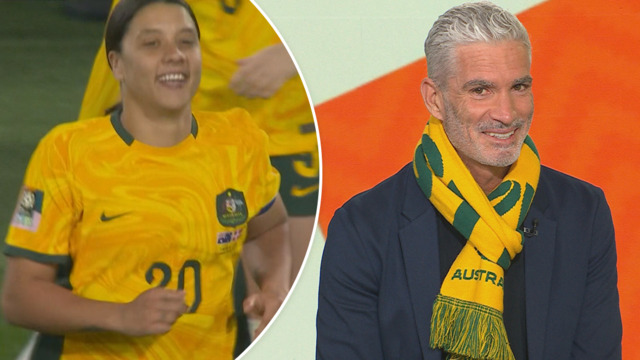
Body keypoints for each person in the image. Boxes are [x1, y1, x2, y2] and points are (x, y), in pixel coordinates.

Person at [316, 2, 622, 360]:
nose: (507, 113)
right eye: (481, 90)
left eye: (519, 87)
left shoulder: (582, 212)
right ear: (435, 99)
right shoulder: (362, 226)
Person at [1, 1, 290, 359]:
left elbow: (268, 227)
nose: (175, 55)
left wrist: (274, 286)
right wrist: (119, 315)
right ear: (117, 64)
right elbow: (19, 297)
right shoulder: (66, 153)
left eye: (187, 42)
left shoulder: (238, 141)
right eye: (152, 44)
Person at [77, 0, 319, 287]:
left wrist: (294, 53)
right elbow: (126, 50)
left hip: (291, 135)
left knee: (292, 296)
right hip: (194, 133)